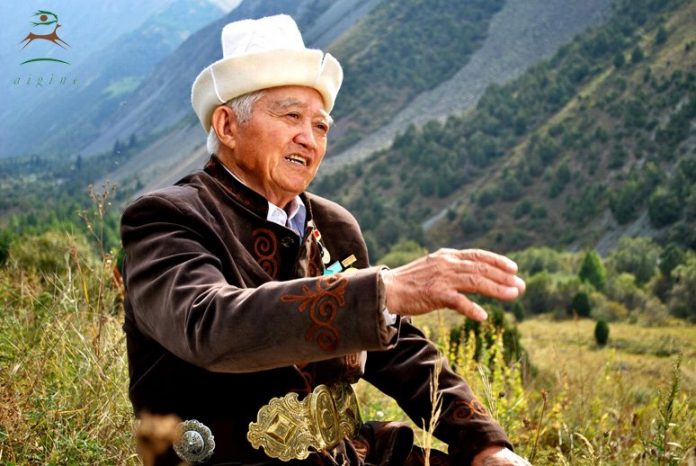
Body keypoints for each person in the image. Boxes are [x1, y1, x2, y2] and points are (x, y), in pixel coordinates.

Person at [121, 14, 531, 466]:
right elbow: (209, 325)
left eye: (321, 126)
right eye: (291, 116)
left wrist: (484, 443)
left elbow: (394, 345)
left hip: (350, 454)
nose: (309, 139)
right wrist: (380, 292)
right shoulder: (166, 219)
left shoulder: (334, 226)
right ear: (227, 126)